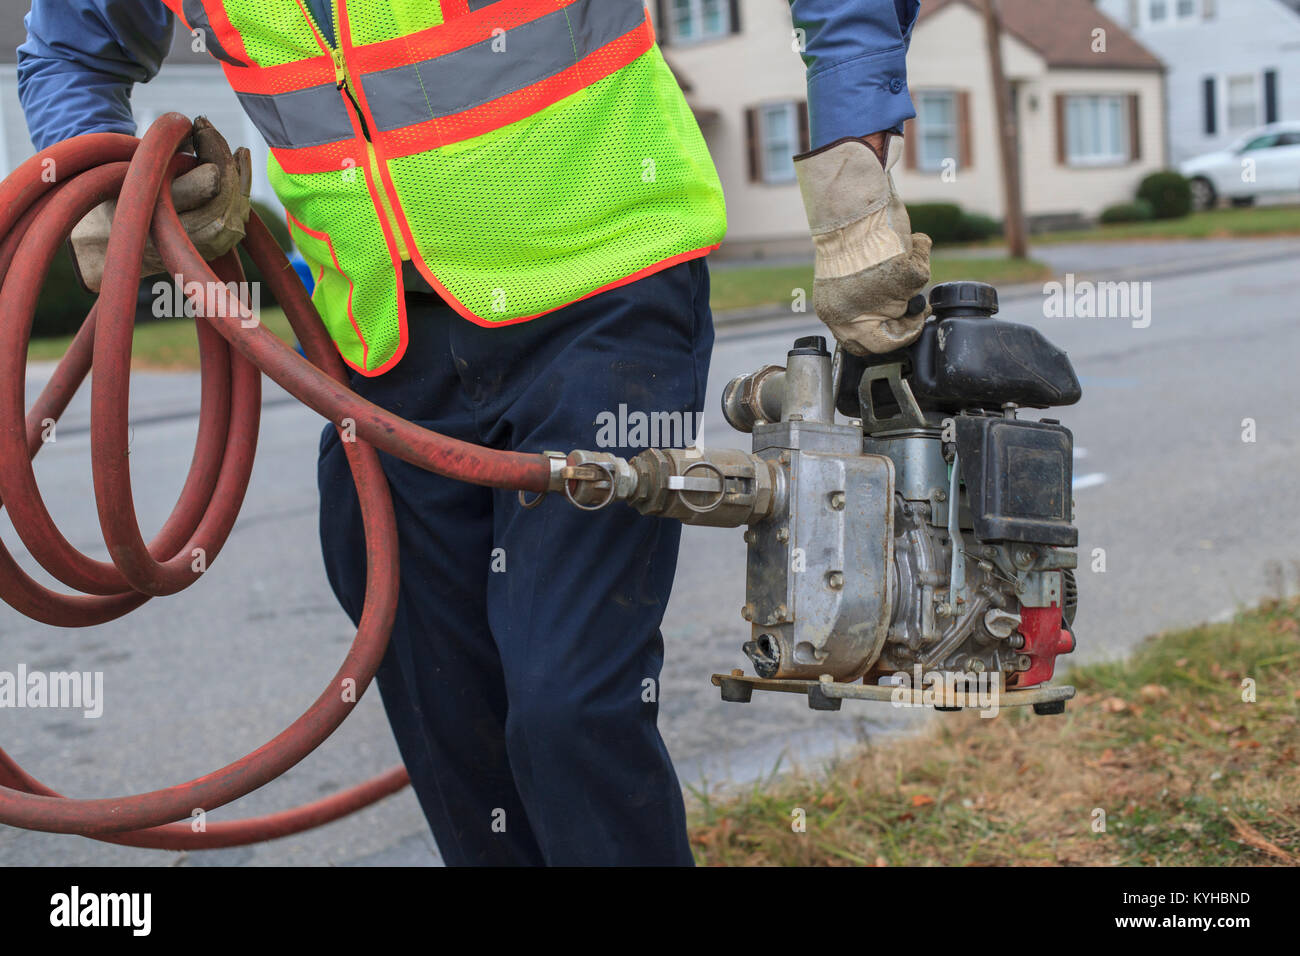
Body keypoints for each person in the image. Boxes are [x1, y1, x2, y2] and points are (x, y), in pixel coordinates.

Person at [18, 0, 929, 866]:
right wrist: (107, 183)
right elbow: (68, 46)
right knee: (447, 712)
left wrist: (854, 171)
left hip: (598, 288)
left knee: (566, 702)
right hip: (377, 341)